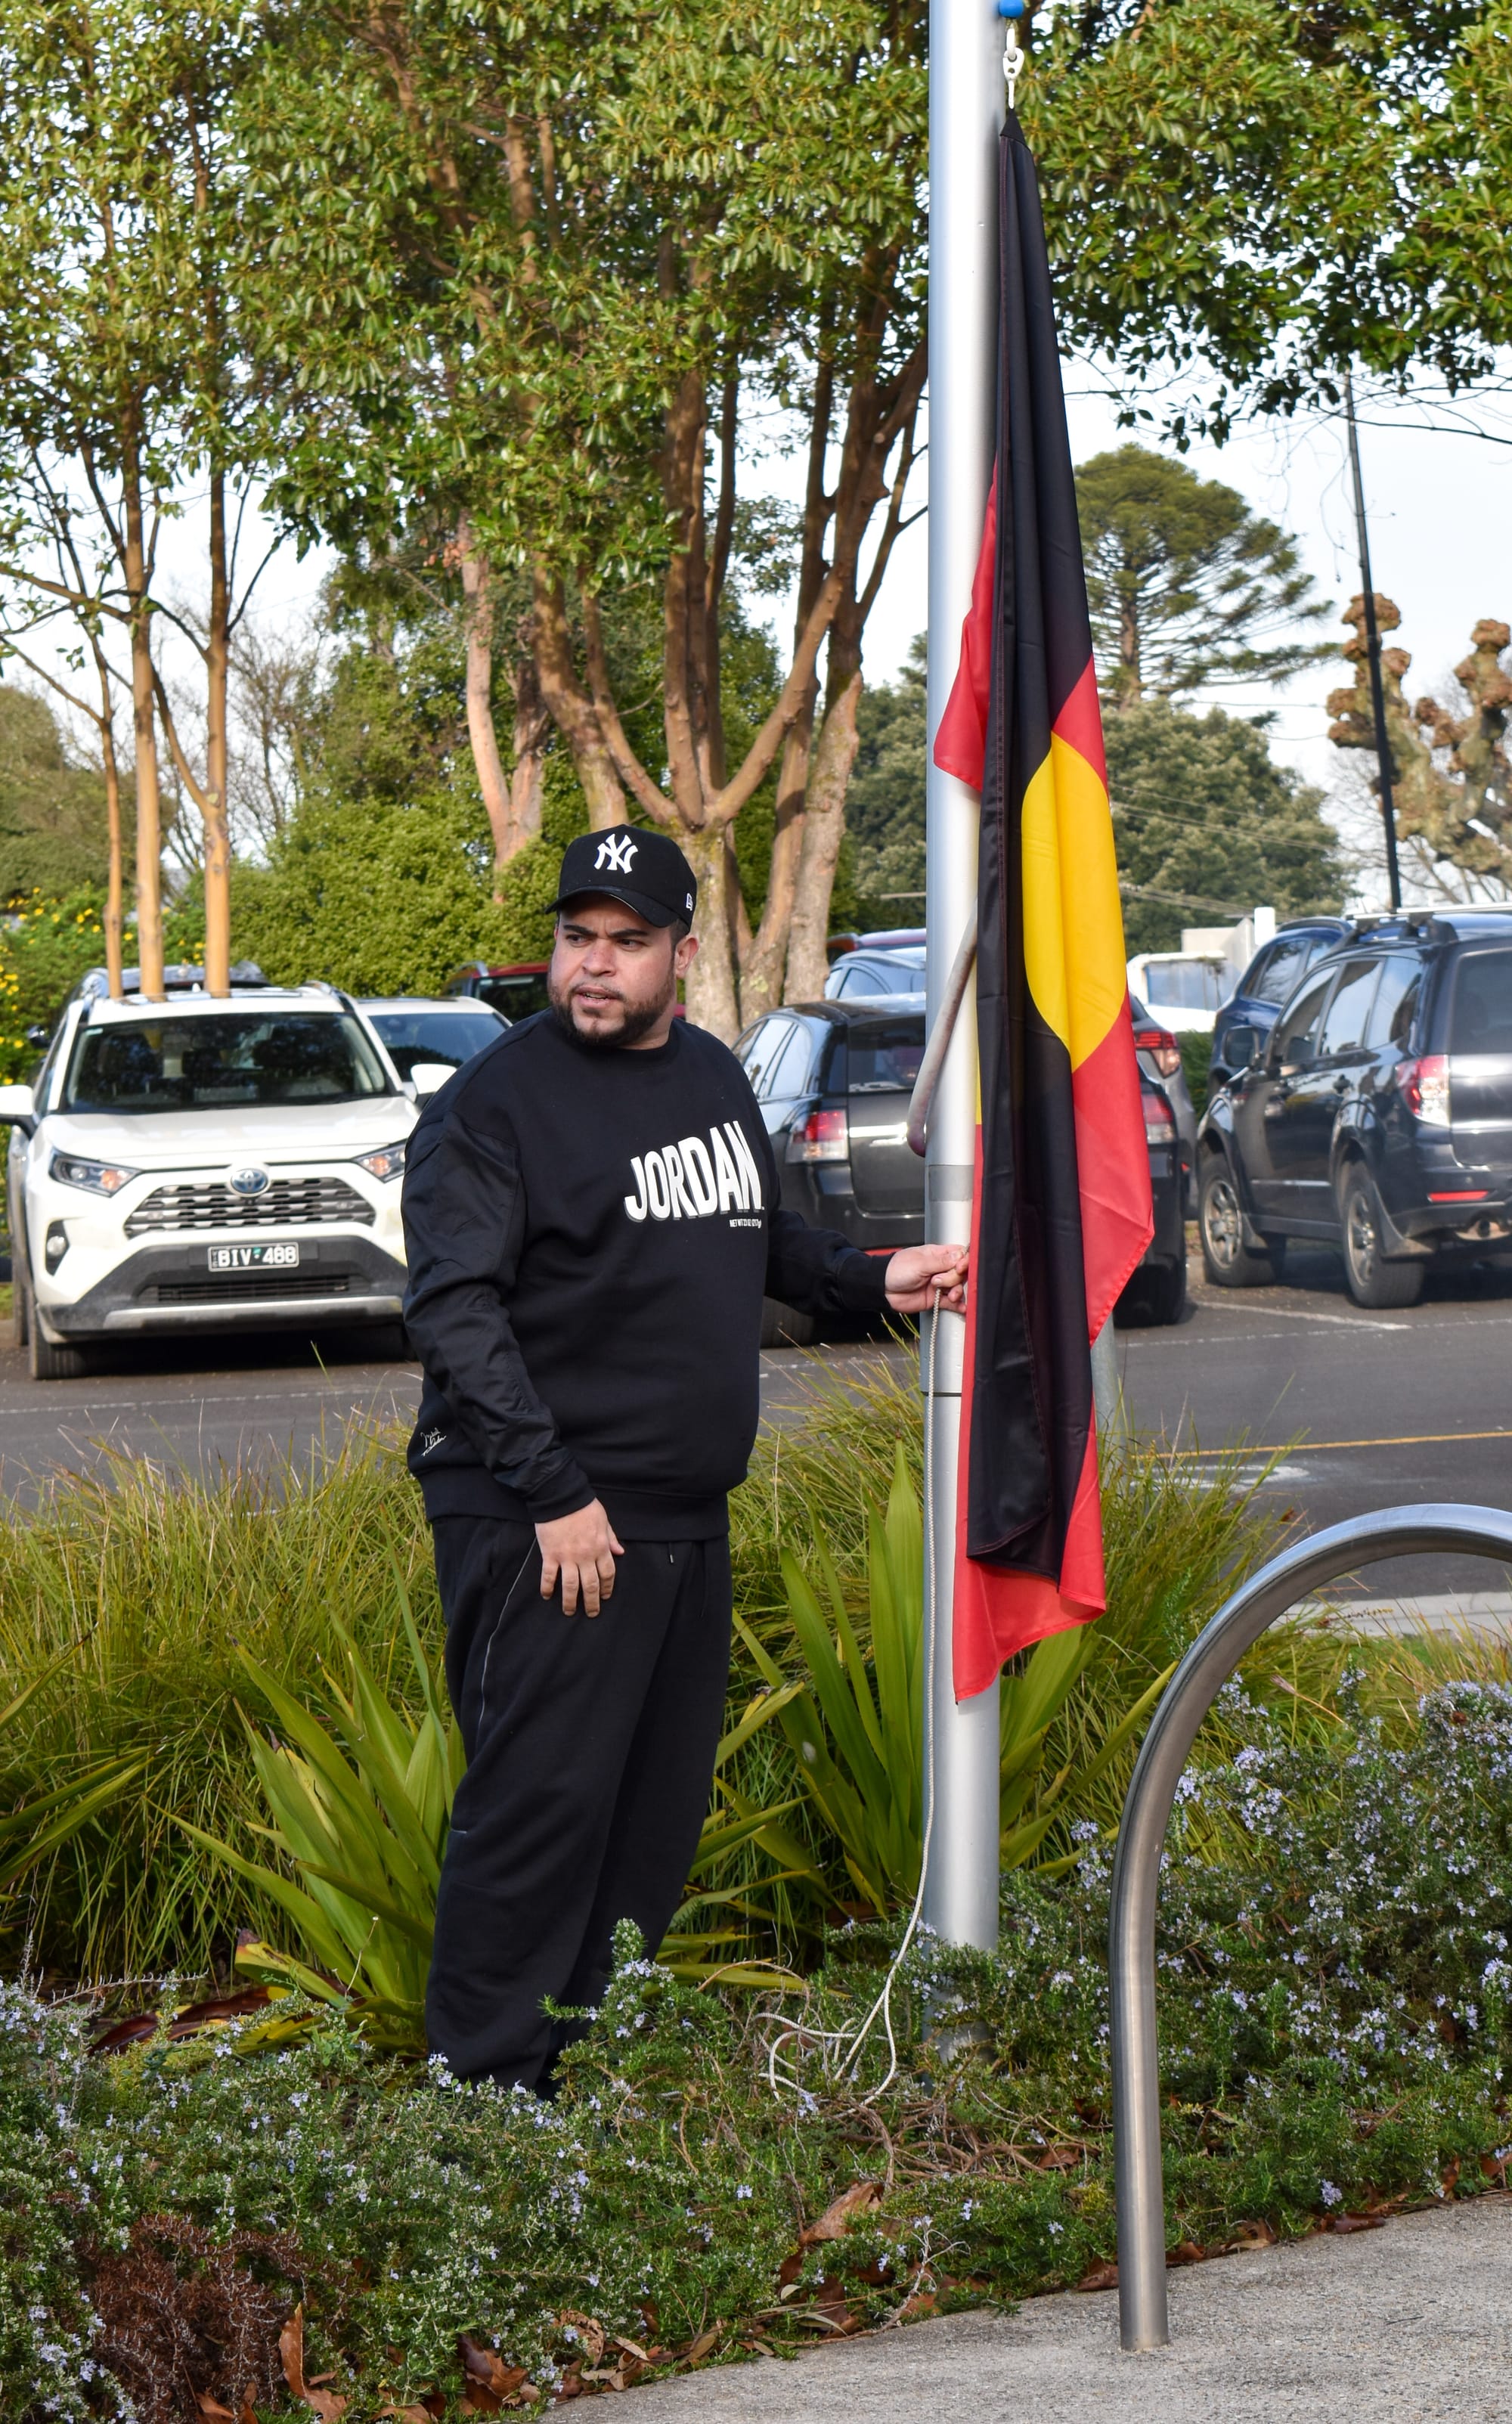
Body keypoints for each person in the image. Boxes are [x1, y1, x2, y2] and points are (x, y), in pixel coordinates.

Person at [401, 825, 968, 2089]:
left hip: (677, 1517)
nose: (594, 967)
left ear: (683, 952)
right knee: (537, 1818)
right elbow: (455, 1313)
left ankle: (580, 2080)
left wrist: (882, 1276)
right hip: (549, 1522)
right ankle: (484, 2106)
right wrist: (555, 1494)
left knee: (648, 1825)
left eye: (627, 942)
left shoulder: (711, 1077)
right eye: (576, 937)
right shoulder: (495, 1105)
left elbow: (763, 1243)